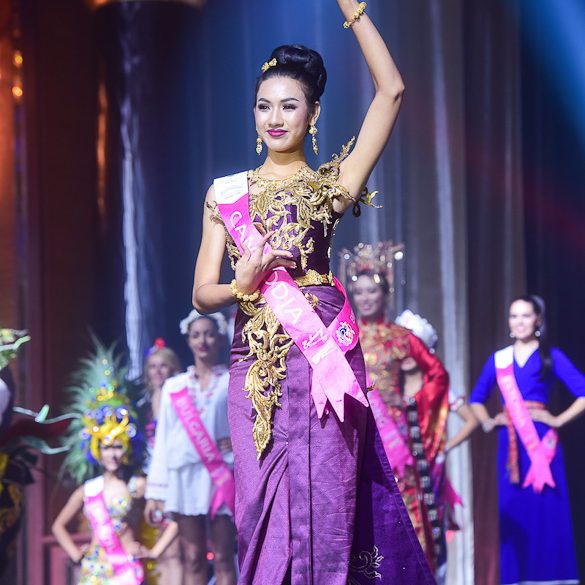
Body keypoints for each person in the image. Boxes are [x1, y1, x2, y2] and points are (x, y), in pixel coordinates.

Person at [192, 2, 435, 584]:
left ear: (314, 112)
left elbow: (392, 92)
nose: (274, 118)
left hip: (322, 351)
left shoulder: (332, 186)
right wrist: (241, 285)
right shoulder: (225, 193)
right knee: (258, 502)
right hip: (254, 359)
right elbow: (201, 293)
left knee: (330, 497)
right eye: (263, 105)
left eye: (289, 105)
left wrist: (354, 12)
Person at [451, 295, 585, 585]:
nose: (519, 322)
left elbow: (583, 392)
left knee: (547, 509)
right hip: (510, 445)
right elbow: (477, 399)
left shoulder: (550, 355)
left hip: (542, 446)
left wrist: (558, 420)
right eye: (514, 316)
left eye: (526, 315)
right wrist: (488, 421)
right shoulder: (499, 360)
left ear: (537, 320)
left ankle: (555, 578)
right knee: (515, 510)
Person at [346, 256, 451, 576]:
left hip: (394, 436)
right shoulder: (345, 335)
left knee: (404, 502)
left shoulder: (401, 337)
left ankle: (411, 574)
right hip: (357, 432)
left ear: (385, 294)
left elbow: (438, 376)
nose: (365, 298)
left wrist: (410, 400)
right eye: (359, 292)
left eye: (372, 291)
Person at [52, 342, 177, 585]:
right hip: (94, 571)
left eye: (118, 447)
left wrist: (154, 552)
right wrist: (75, 554)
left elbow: (173, 521)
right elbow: (58, 526)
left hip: (126, 569)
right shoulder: (88, 490)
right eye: (107, 447)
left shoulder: (138, 485)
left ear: (128, 449)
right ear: (97, 451)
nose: (113, 454)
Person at [145, 310, 236, 585]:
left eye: (209, 334)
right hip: (184, 476)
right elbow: (163, 439)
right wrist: (155, 492)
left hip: (222, 475)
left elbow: (248, 424)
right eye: (196, 335)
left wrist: (236, 442)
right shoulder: (175, 387)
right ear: (188, 340)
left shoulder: (232, 380)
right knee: (193, 556)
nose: (202, 341)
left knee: (224, 556)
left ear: (220, 338)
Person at [141, 339, 183, 584]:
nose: (157, 371)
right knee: (160, 547)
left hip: (174, 475)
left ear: (173, 368)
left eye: (163, 366)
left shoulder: (180, 397)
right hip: (151, 478)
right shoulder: (143, 404)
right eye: (152, 366)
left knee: (176, 549)